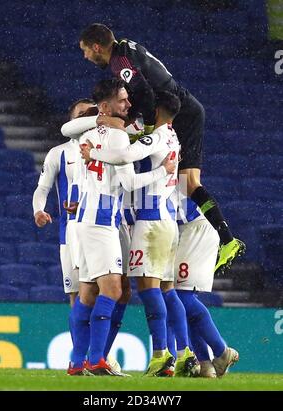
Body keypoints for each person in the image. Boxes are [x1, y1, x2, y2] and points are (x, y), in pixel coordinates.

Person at [78, 23, 246, 275]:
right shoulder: (126, 47)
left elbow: (144, 94)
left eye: (85, 51)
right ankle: (226, 238)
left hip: (181, 112)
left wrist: (143, 128)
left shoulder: (119, 61)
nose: (85, 57)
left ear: (96, 47)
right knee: (188, 183)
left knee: (188, 183)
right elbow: (144, 91)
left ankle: (223, 238)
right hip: (184, 107)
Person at [81, 90, 199, 378]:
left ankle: (162, 355)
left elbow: (125, 155)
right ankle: (183, 352)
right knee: (167, 290)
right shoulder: (173, 137)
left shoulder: (157, 136)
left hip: (151, 222)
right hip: (165, 220)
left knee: (149, 290)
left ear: (157, 109)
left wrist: (93, 152)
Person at [69, 78, 176, 376]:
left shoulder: (88, 134)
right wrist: (161, 171)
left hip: (91, 218)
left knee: (90, 292)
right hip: (102, 221)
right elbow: (129, 183)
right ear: (105, 106)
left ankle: (78, 362)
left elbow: (71, 132)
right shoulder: (117, 138)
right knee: (114, 289)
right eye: (122, 100)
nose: (128, 104)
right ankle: (96, 359)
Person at [32, 98, 95, 306]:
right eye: (81, 115)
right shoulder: (58, 153)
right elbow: (42, 188)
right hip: (69, 232)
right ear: (71, 121)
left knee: (103, 290)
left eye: (91, 113)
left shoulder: (107, 149)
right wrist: (38, 210)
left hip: (99, 227)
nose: (87, 118)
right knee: (76, 296)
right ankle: (80, 339)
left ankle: (100, 338)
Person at [173, 187, 239, 378]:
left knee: (179, 297)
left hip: (195, 226)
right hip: (185, 228)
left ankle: (221, 351)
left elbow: (193, 185)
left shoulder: (174, 162)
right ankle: (204, 363)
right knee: (180, 301)